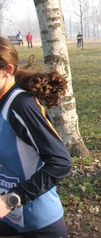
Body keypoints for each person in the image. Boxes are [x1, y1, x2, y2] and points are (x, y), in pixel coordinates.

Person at [0, 36, 72, 237]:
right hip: (8, 220)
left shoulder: (22, 106)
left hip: (38, 224)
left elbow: (60, 162)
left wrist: (14, 198)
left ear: (8, 71)